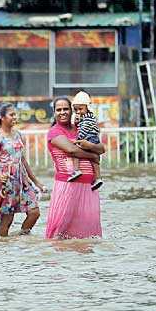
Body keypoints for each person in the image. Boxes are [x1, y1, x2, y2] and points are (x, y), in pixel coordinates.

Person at [45, 96, 105, 239]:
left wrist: (91, 146)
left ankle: (82, 261)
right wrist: (93, 156)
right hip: (68, 185)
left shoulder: (80, 128)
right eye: (58, 110)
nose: (63, 112)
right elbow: (72, 150)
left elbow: (101, 148)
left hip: (89, 186)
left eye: (66, 109)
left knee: (88, 235)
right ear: (54, 112)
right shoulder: (54, 132)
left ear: (72, 111)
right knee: (59, 232)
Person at [0, 103, 47, 237]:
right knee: (7, 220)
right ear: (2, 117)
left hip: (22, 181)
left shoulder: (18, 134)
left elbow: (23, 160)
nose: (15, 117)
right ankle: (4, 247)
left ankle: (20, 237)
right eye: (11, 114)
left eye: (15, 114)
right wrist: (0, 176)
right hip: (6, 183)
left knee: (34, 212)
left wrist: (36, 182)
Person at [69, 91, 103, 190]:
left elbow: (84, 130)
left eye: (80, 109)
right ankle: (98, 177)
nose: (78, 111)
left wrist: (78, 139)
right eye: (76, 110)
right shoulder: (91, 116)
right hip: (94, 138)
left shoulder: (86, 118)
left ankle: (76, 170)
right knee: (94, 160)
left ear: (87, 107)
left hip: (88, 138)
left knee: (75, 151)